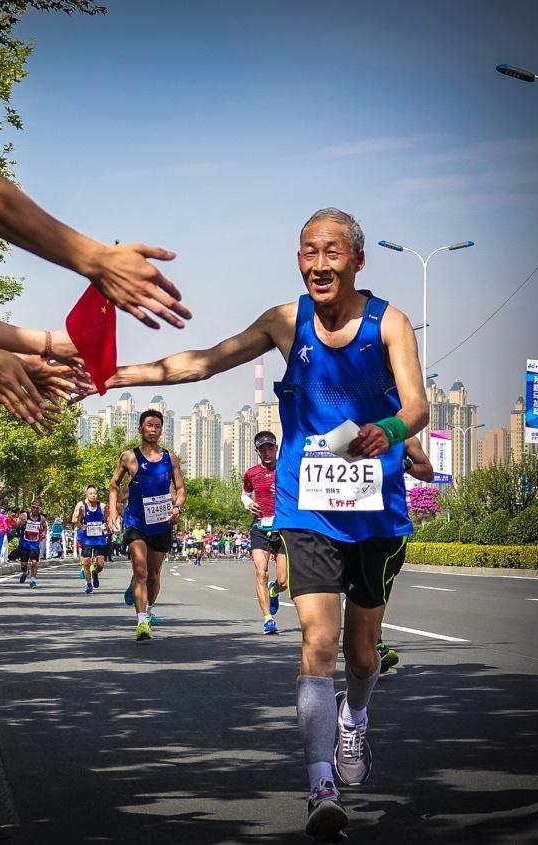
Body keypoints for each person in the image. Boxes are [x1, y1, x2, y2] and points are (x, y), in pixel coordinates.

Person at [108, 207, 428, 839]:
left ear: (358, 261)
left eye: (332, 253)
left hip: (376, 507)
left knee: (362, 656)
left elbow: (416, 403)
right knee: (317, 643)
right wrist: (117, 375)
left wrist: (388, 430)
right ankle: (319, 784)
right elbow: (202, 362)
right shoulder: (286, 321)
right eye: (308, 252)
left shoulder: (389, 322)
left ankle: (355, 720)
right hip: (307, 504)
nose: (318, 264)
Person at [109, 410, 185, 641]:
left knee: (153, 575)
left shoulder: (170, 458)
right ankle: (141, 621)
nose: (153, 429)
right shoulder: (129, 457)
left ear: (162, 430)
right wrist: (113, 510)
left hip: (161, 524)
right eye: (149, 425)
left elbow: (181, 490)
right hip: (135, 522)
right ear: (140, 429)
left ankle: (148, 609)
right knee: (140, 570)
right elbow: (114, 484)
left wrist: (177, 508)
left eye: (157, 426)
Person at [373, 436, 435, 672]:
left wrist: (406, 465)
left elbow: (428, 472)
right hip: (352, 523)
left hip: (391, 524)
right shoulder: (345, 426)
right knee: (361, 586)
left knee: (381, 587)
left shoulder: (405, 437)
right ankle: (374, 643)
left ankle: (371, 638)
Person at [243, 431, 287, 635]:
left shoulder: (287, 468)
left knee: (283, 582)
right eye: (262, 449)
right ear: (257, 452)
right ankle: (268, 618)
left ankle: (274, 590)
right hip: (260, 527)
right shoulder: (251, 473)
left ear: (276, 448)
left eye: (270, 448)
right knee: (261, 571)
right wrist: (249, 503)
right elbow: (244, 494)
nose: (267, 452)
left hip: (284, 528)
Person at [72, 486, 107, 594]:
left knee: (100, 564)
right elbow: (74, 519)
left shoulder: (102, 506)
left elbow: (108, 518)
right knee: (86, 562)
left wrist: (107, 525)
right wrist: (80, 525)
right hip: (87, 538)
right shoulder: (81, 505)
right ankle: (88, 584)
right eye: (91, 493)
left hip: (99, 538)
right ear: (86, 495)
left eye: (95, 493)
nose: (93, 495)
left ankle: (95, 573)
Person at [16, 501, 45, 587]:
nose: (35, 509)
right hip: (24, 543)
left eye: (37, 508)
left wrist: (44, 532)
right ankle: (25, 572)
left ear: (39, 509)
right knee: (23, 565)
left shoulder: (42, 518)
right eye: (33, 507)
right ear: (31, 507)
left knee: (34, 562)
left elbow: (45, 526)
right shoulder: (24, 516)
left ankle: (33, 581)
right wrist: (19, 523)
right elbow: (15, 525)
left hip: (34, 544)